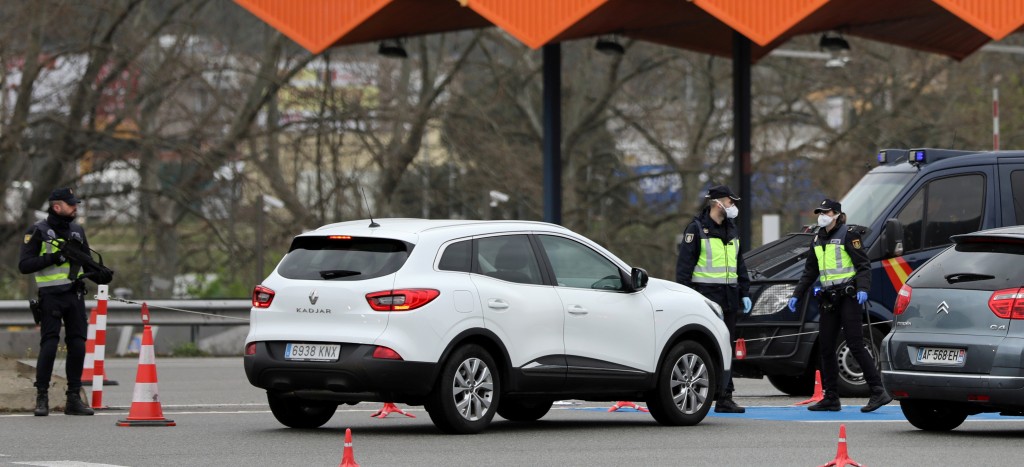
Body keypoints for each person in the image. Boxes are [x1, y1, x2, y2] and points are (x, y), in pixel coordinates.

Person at [787, 198, 892, 412]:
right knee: (825, 348)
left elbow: (863, 265)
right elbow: (810, 271)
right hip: (828, 298)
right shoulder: (817, 239)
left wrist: (863, 288)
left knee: (855, 344)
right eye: (820, 212)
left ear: (836, 214)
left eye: (825, 212)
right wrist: (797, 294)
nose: (821, 215)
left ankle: (878, 391)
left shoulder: (848, 235)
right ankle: (831, 398)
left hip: (848, 297)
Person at [18, 188, 109, 416]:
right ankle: (42, 398)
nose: (75, 207)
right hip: (50, 296)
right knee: (49, 344)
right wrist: (54, 257)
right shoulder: (37, 231)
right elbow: (24, 265)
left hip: (74, 295)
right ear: (57, 207)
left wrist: (101, 275)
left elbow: (87, 262)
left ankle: (73, 399)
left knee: (78, 345)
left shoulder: (77, 231)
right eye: (71, 204)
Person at [676, 184, 752, 414]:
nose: (733, 206)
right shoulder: (697, 229)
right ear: (718, 202)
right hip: (705, 298)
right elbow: (684, 270)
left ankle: (725, 397)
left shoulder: (732, 229)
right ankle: (703, 394)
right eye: (730, 202)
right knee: (707, 347)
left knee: (726, 347)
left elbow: (739, 264)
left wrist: (745, 292)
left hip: (729, 297)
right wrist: (685, 298)